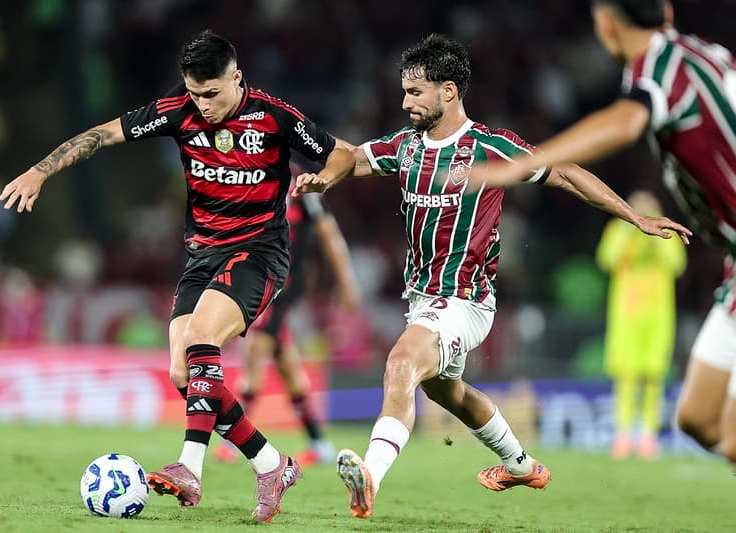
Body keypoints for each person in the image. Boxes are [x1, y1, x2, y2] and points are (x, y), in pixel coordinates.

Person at [294, 33, 691, 519]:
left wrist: (633, 216)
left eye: (415, 92)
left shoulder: (489, 147)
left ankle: (370, 477)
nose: (404, 103)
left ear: (448, 92)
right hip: (422, 298)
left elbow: (565, 172)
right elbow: (353, 157)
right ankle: (520, 465)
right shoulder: (405, 146)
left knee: (401, 362)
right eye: (403, 92)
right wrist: (325, 176)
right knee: (448, 392)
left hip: (464, 300)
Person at [0, 29, 354, 523]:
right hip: (202, 256)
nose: (202, 105)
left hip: (259, 252)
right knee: (184, 374)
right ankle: (272, 465)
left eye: (211, 93)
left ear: (237, 77)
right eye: (194, 93)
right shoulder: (177, 112)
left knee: (202, 338)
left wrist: (324, 178)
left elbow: (341, 152)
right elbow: (102, 134)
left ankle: (190, 467)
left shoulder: (274, 117)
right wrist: (40, 170)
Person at [465, 0, 736, 465]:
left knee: (725, 432)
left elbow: (627, 122)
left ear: (606, 25)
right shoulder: (703, 56)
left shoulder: (661, 70)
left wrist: (523, 164)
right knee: (698, 418)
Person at [215, 173, 361, 466]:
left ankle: (233, 441)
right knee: (286, 363)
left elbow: (328, 233)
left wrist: (347, 283)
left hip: (284, 283)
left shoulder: (302, 185)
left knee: (256, 350)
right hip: (260, 278)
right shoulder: (253, 177)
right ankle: (319, 442)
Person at [597, 190, 687, 459]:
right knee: (625, 375)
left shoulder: (668, 234)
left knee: (653, 376)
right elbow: (606, 259)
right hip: (625, 314)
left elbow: (677, 264)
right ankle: (623, 435)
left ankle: (648, 436)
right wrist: (631, 224)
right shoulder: (617, 230)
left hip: (657, 316)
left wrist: (656, 232)